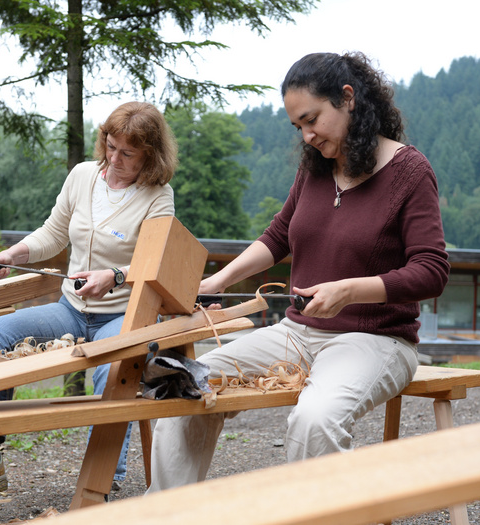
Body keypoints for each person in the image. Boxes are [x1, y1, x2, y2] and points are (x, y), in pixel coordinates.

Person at [147, 52, 449, 491]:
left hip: (376, 339)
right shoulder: (316, 169)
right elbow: (278, 237)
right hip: (296, 333)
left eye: (312, 120)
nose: (307, 136)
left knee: (315, 419)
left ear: (347, 99)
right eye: (298, 127)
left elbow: (432, 271)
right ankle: (167, 516)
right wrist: (216, 282)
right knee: (185, 383)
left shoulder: (410, 171)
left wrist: (349, 291)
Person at [0, 101, 178, 496]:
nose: (113, 158)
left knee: (112, 363)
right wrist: (12, 254)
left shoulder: (158, 195)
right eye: (109, 144)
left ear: (149, 156)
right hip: (72, 310)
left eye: (127, 153)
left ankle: (104, 476)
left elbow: (158, 264)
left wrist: (115, 276)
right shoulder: (84, 175)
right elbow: (53, 233)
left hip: (123, 313)